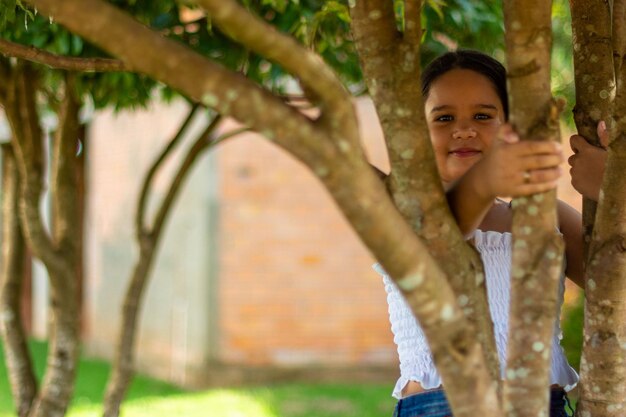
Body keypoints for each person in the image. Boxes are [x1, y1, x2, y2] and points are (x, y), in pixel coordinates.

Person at [374, 49, 605, 417]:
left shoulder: (542, 216)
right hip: (443, 405)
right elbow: (449, 232)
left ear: (511, 126)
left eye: (483, 116)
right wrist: (493, 173)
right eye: (444, 117)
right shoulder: (407, 212)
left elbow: (613, 282)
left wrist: (612, 188)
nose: (464, 129)